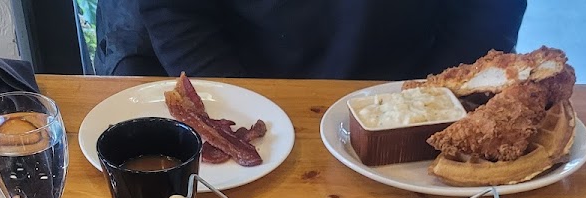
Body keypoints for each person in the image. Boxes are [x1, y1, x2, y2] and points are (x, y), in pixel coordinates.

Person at [94, 0, 528, 80]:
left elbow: (487, 14)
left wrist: (430, 101)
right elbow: (176, 9)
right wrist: (235, 112)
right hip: (245, 85)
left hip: (410, 83)